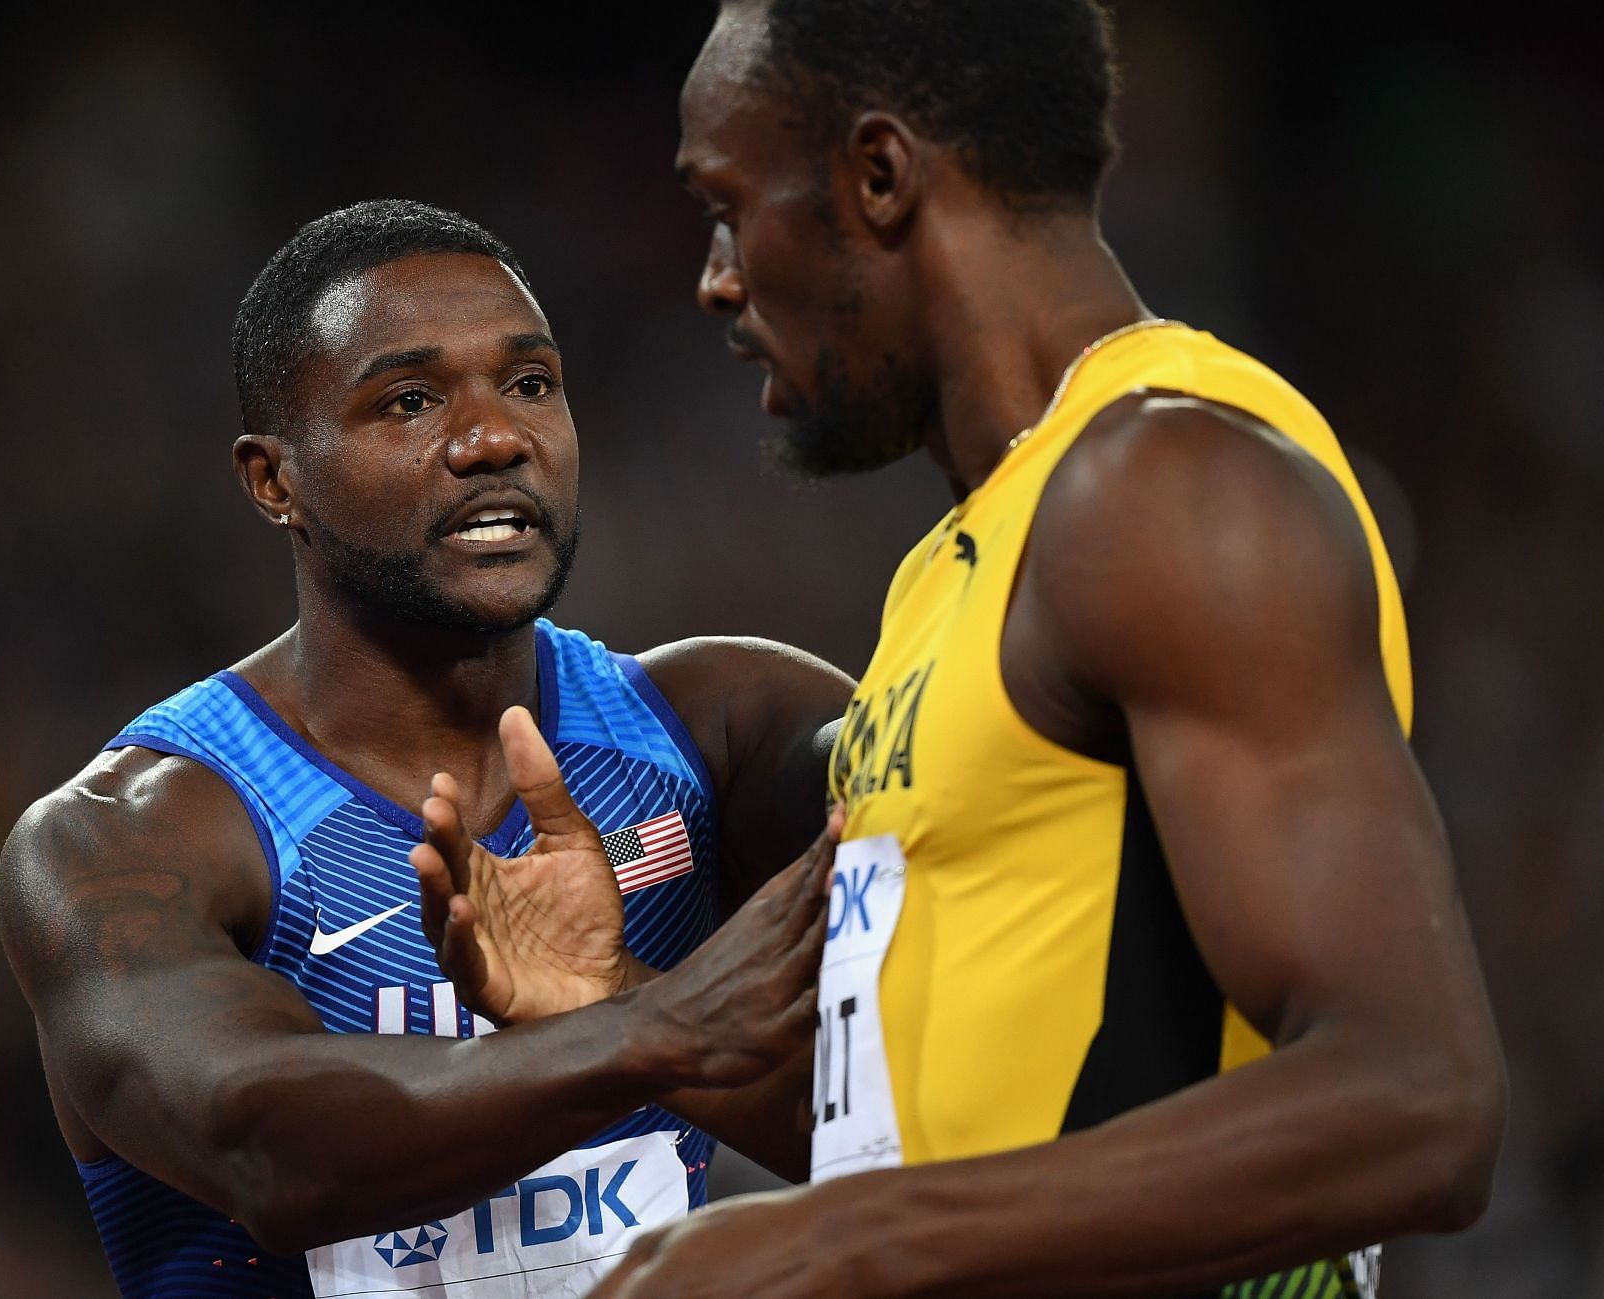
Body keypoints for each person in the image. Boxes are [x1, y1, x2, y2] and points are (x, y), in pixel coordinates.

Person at [419, 4, 1509, 1297]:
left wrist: (837, 1240)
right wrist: (623, 1004)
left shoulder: (1171, 481)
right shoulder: (954, 568)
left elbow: (1418, 1097)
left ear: (879, 178)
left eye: (727, 205)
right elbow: (969, 1144)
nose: (715, 276)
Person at [0, 199, 854, 1299]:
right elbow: (272, 1155)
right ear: (275, 482)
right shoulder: (133, 837)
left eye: (532, 383)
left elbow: (932, 1128)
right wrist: (654, 1026)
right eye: (408, 400)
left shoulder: (724, 726)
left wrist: (613, 999)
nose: (496, 438)